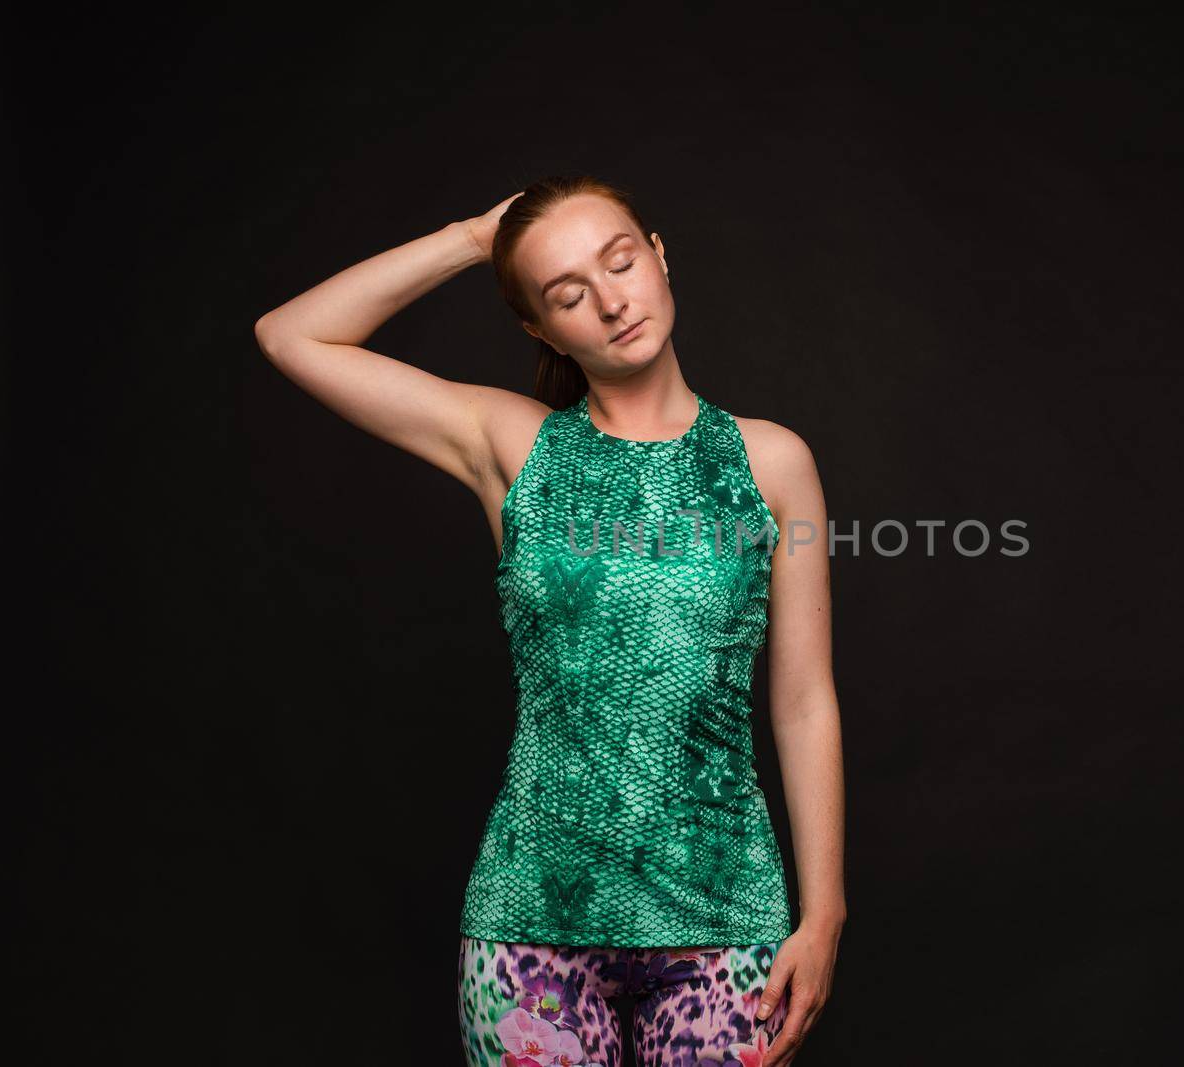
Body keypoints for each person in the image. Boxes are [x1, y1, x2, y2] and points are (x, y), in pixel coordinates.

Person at [253, 175, 846, 1066]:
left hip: (726, 921)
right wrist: (468, 238)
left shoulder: (769, 462)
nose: (611, 302)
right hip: (530, 926)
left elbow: (803, 701)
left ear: (658, 254)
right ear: (537, 325)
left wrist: (825, 910)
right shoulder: (513, 446)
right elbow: (290, 334)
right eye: (568, 293)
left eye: (620, 263)